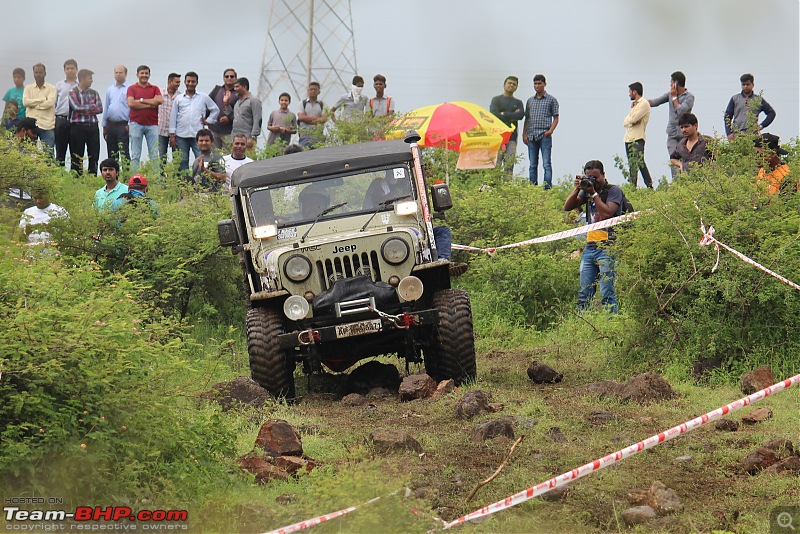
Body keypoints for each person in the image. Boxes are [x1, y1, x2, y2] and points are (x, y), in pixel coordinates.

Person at [563, 160, 622, 313]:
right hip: (590, 247)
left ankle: (612, 325)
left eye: (595, 177)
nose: (593, 181)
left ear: (603, 175)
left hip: (608, 247)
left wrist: (594, 194)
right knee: (584, 293)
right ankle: (583, 324)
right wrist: (578, 189)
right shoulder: (587, 192)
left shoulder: (613, 191)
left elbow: (607, 212)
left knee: (607, 292)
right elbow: (567, 207)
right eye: (589, 177)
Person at [169, 71, 219, 172]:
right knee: (182, 160)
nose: (190, 84)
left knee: (202, 158)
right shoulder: (179, 99)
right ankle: (183, 183)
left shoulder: (203, 97)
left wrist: (208, 121)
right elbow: (173, 117)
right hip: (181, 135)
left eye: (193, 81)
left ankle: (201, 179)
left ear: (197, 83)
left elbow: (215, 109)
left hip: (198, 135)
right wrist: (172, 135)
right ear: (185, 82)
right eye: (188, 81)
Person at [648, 71, 695, 178]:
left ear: (676, 84)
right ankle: (676, 183)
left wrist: (674, 98)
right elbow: (655, 102)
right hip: (672, 134)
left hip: (685, 135)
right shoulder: (669, 95)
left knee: (685, 159)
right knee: (674, 158)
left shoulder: (689, 97)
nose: (670, 85)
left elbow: (681, 111)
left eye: (671, 82)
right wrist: (641, 102)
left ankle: (686, 182)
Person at [522, 74, 559, 189]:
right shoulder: (530, 101)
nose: (537, 86)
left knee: (546, 163)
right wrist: (524, 134)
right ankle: (532, 187)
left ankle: (547, 187)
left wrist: (550, 131)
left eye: (539, 83)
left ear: (544, 84)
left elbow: (556, 118)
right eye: (535, 84)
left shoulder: (551, 100)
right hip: (531, 135)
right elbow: (527, 118)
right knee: (532, 164)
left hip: (544, 135)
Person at [126, 65, 162, 172]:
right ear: (137, 75)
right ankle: (135, 178)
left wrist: (140, 101)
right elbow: (131, 103)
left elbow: (159, 101)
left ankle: (156, 180)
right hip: (136, 124)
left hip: (152, 125)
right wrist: (150, 103)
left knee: (154, 154)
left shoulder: (154, 88)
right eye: (142, 73)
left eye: (146, 73)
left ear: (149, 75)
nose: (144, 75)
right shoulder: (132, 88)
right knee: (135, 154)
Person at [68, 69, 103, 176]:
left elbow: (100, 109)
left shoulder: (94, 93)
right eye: (89, 78)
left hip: (92, 127)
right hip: (77, 127)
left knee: (94, 154)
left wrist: (85, 109)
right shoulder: (73, 92)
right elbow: (76, 108)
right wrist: (92, 108)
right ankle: (77, 179)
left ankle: (92, 177)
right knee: (77, 155)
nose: (91, 81)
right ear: (82, 79)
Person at [724, 73, 776, 140]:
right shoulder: (735, 99)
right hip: (736, 135)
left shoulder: (758, 100)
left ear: (752, 85)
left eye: (748, 84)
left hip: (752, 136)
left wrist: (761, 126)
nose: (745, 86)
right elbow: (727, 117)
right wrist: (729, 133)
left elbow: (771, 113)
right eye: (743, 84)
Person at [490, 75, 525, 173]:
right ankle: (494, 186)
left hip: (512, 138)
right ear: (504, 84)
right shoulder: (496, 100)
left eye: (514, 84)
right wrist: (513, 114)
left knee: (509, 164)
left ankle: (507, 186)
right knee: (496, 163)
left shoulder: (518, 102)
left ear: (516, 87)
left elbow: (521, 115)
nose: (511, 85)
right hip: (498, 136)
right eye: (509, 83)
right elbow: (494, 115)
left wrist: (504, 113)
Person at [623, 81, 653, 189]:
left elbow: (634, 118)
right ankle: (633, 187)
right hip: (629, 138)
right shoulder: (635, 105)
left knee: (640, 162)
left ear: (635, 92)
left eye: (630, 92)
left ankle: (649, 186)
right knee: (632, 164)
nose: (629, 94)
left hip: (638, 138)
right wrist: (631, 121)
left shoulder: (644, 103)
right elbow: (625, 122)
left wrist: (632, 120)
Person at [22, 63, 57, 150]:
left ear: (45, 73)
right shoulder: (28, 88)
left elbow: (50, 103)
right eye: (36, 72)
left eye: (40, 72)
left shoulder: (52, 88)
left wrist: (33, 104)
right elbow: (25, 102)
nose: (38, 75)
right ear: (33, 74)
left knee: (48, 155)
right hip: (31, 126)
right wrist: (42, 99)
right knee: (29, 153)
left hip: (47, 125)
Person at [54, 59, 78, 169]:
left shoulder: (80, 86)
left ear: (76, 70)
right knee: (60, 151)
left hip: (76, 122)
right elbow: (54, 103)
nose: (70, 71)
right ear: (64, 70)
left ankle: (75, 178)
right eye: (67, 68)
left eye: (72, 68)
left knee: (76, 152)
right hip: (61, 120)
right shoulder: (59, 85)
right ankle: (59, 176)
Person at [103, 65, 130, 162]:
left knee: (124, 152)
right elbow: (106, 106)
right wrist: (104, 125)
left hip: (123, 125)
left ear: (125, 74)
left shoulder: (129, 89)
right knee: (111, 152)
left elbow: (131, 108)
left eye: (120, 72)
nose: (118, 75)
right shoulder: (110, 89)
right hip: (110, 124)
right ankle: (113, 174)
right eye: (116, 72)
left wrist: (129, 123)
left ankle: (126, 175)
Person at [208, 68, 239, 150]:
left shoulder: (238, 94)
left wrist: (229, 119)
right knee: (214, 156)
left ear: (235, 78)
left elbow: (240, 113)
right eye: (227, 76)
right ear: (223, 78)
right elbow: (207, 105)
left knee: (227, 157)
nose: (229, 78)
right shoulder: (217, 90)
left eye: (232, 76)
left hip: (229, 131)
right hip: (214, 130)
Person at [231, 77, 262, 149]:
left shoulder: (254, 100)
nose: (235, 89)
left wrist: (253, 137)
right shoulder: (237, 102)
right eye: (234, 87)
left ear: (244, 87)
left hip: (248, 138)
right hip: (236, 138)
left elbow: (257, 119)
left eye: (237, 87)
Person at [158, 73, 181, 161]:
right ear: (170, 81)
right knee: (162, 157)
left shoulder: (180, 96)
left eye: (179, 82)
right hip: (161, 130)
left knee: (176, 156)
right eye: (176, 82)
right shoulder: (160, 93)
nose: (178, 84)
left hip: (176, 131)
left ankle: (176, 174)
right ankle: (163, 174)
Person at [297, 81, 327, 148]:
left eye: (315, 89)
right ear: (308, 91)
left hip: (318, 135)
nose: (313, 91)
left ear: (319, 92)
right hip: (305, 135)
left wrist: (308, 119)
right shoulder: (302, 103)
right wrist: (317, 118)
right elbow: (301, 117)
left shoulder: (322, 104)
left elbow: (324, 118)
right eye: (311, 89)